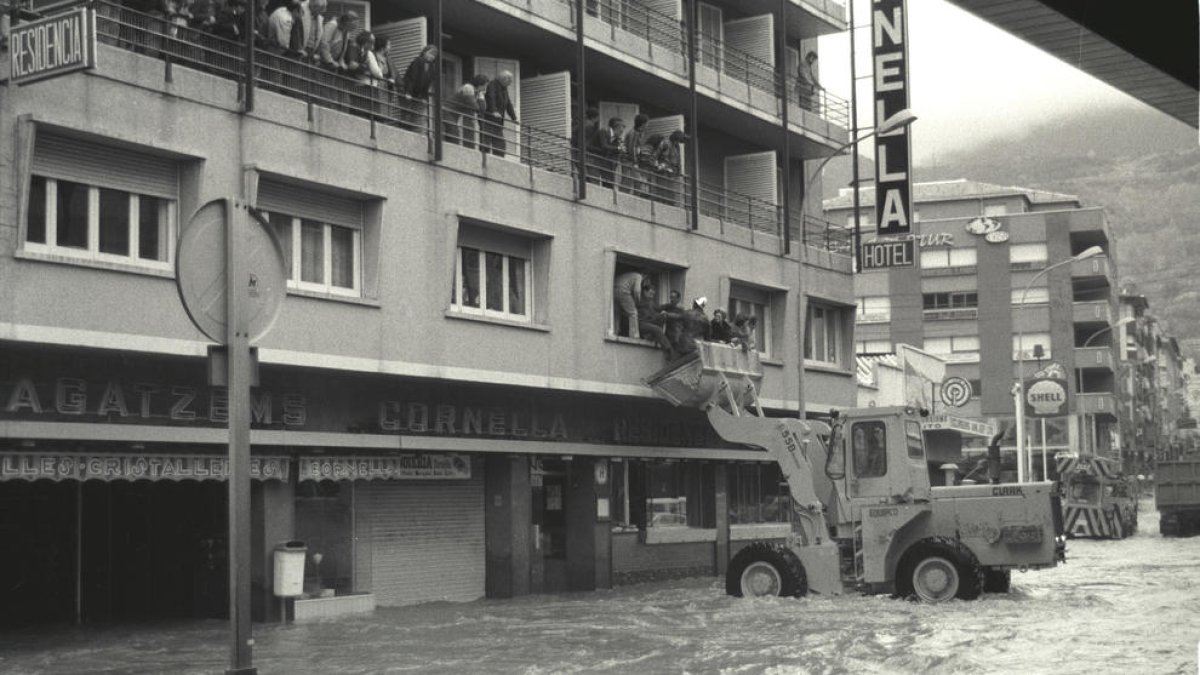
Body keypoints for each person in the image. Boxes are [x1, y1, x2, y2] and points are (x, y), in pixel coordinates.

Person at [401, 44, 438, 130]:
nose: (432, 56)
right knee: (407, 112)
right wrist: (408, 92)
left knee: (417, 114)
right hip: (410, 91)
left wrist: (424, 97)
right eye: (430, 53)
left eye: (434, 55)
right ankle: (405, 128)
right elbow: (412, 78)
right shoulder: (418, 61)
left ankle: (414, 129)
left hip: (419, 94)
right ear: (425, 52)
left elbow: (427, 84)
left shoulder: (431, 67)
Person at [482, 70, 518, 157]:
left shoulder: (504, 88)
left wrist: (514, 118)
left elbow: (508, 104)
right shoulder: (493, 85)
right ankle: (483, 159)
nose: (510, 84)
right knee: (486, 142)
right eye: (509, 81)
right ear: (503, 79)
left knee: (500, 145)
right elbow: (491, 98)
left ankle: (498, 160)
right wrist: (494, 111)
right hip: (489, 119)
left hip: (498, 121)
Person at [635, 284, 672, 354]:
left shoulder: (651, 302)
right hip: (642, 323)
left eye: (653, 294)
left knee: (663, 316)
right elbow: (647, 314)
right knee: (656, 329)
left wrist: (670, 305)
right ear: (645, 292)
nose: (652, 296)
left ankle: (655, 337)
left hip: (649, 322)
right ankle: (668, 348)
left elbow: (659, 308)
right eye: (650, 293)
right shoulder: (640, 301)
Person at [622, 113, 651, 195]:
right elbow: (632, 148)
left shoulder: (640, 133)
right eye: (647, 123)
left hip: (633, 161)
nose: (647, 125)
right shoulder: (633, 133)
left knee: (637, 182)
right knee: (627, 181)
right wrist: (635, 162)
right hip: (629, 161)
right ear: (643, 124)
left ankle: (635, 197)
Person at [613, 269, 644, 339]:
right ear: (644, 275)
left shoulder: (628, 275)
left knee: (616, 313)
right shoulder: (639, 276)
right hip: (623, 290)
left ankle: (615, 332)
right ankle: (634, 336)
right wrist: (637, 302)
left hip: (613, 290)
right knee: (633, 313)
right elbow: (637, 291)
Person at [445, 82, 478, 147]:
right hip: (448, 113)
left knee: (452, 132)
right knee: (454, 133)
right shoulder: (467, 95)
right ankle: (453, 149)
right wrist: (481, 98)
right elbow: (476, 108)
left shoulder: (460, 94)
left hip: (448, 112)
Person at [596, 117, 625, 188]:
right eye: (621, 129)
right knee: (596, 182)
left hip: (609, 164)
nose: (622, 132)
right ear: (616, 127)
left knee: (609, 184)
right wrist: (618, 148)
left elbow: (617, 153)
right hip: (597, 159)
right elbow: (604, 146)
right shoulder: (604, 131)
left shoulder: (616, 138)